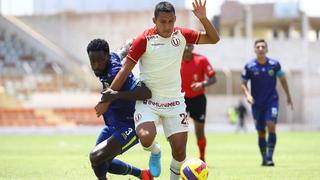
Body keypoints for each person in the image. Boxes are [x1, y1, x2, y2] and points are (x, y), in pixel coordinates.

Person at [95, 1, 220, 179]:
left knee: (179, 152)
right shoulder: (143, 40)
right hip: (149, 101)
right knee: (145, 137)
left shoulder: (181, 35)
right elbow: (124, 70)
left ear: (175, 19)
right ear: (154, 20)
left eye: (171, 21)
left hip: (175, 102)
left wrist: (203, 18)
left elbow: (214, 39)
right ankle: (155, 151)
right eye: (163, 21)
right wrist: (105, 101)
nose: (167, 26)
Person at [87, 38, 154, 180]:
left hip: (129, 126)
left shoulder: (116, 72)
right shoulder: (113, 57)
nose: (96, 65)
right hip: (113, 125)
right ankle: (143, 174)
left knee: (96, 156)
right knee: (99, 162)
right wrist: (130, 42)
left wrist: (115, 95)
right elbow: (123, 50)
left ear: (107, 56)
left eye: (100, 61)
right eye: (93, 61)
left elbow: (146, 93)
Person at [241, 39, 293, 166]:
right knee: (261, 131)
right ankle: (264, 157)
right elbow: (243, 83)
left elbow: (283, 80)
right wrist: (247, 95)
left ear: (266, 49)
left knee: (271, 125)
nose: (260, 48)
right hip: (257, 103)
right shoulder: (249, 66)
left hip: (272, 101)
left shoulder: (275, 65)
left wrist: (288, 96)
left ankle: (270, 157)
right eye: (258, 47)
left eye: (263, 46)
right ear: (255, 50)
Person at [180, 44, 217, 162]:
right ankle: (180, 158)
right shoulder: (174, 60)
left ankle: (202, 158)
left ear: (192, 47)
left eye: (189, 45)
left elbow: (213, 78)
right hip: (180, 100)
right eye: (184, 45)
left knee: (199, 131)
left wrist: (202, 84)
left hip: (198, 99)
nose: (186, 48)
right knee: (180, 130)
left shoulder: (201, 60)